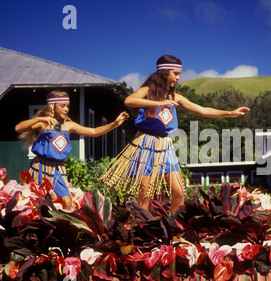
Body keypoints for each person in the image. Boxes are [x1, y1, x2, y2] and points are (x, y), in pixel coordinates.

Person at [100, 55, 250, 213]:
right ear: (165, 73)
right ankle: (141, 230)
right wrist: (158, 103)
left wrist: (230, 113)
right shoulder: (147, 91)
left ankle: (173, 228)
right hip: (145, 143)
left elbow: (202, 110)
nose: (178, 78)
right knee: (145, 193)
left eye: (179, 74)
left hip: (165, 145)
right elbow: (129, 101)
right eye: (175, 74)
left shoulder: (174, 97)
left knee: (179, 192)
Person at [15, 90, 129, 210]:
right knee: (40, 200)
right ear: (53, 106)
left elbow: (94, 132)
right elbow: (18, 128)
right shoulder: (43, 124)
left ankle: (65, 227)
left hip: (58, 169)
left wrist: (114, 124)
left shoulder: (69, 126)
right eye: (62, 106)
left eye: (68, 106)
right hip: (41, 167)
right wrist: (40, 119)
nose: (66, 109)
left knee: (67, 201)